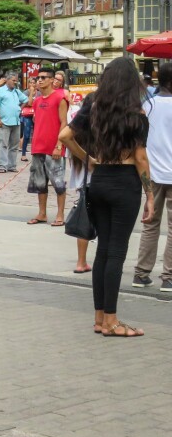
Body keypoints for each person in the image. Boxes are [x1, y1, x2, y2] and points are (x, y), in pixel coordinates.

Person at [59, 57, 153, 337]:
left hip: (99, 179)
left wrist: (88, 159)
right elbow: (140, 157)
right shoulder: (136, 115)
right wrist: (149, 195)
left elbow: (65, 135)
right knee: (116, 252)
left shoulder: (92, 106)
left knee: (102, 251)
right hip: (125, 184)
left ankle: (100, 318)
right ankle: (112, 321)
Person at [133, 62, 172, 291]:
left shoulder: (147, 105)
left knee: (150, 224)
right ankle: (168, 277)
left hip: (152, 174)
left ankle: (141, 273)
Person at [27, 67, 68, 226]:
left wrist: (59, 145)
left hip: (54, 148)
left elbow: (64, 122)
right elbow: (38, 122)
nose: (40, 80)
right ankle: (42, 213)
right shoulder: (37, 100)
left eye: (44, 77)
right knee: (40, 183)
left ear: (52, 80)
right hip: (38, 147)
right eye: (38, 78)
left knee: (58, 183)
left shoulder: (60, 97)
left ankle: (60, 214)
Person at [66, 94, 92, 275]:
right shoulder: (100, 133)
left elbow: (70, 161)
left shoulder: (75, 135)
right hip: (98, 182)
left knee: (85, 220)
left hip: (82, 183)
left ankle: (81, 261)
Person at [0, 71, 27, 173]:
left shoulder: (17, 91)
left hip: (16, 122)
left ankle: (12, 165)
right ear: (7, 80)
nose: (15, 82)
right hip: (4, 122)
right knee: (3, 144)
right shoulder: (0, 91)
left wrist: (19, 108)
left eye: (16, 81)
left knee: (14, 146)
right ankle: (2, 166)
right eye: (13, 80)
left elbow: (26, 100)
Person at [20, 77, 36, 162]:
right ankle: (23, 154)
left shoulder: (39, 93)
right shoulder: (25, 93)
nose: (32, 84)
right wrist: (31, 93)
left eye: (34, 83)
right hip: (27, 115)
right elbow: (29, 103)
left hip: (36, 116)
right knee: (26, 135)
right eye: (31, 83)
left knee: (36, 135)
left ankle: (35, 152)